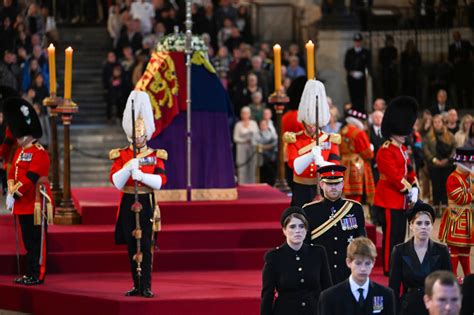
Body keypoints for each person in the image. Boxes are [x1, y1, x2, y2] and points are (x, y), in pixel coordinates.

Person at [109, 90, 167, 298]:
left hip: (146, 199)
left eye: (141, 135)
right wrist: (126, 168)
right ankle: (136, 283)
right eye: (136, 135)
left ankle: (147, 285)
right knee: (132, 245)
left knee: (146, 244)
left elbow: (160, 182)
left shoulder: (155, 155)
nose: (139, 138)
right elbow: (116, 182)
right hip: (127, 200)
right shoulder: (122, 154)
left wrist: (141, 175)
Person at [4, 96, 54, 285]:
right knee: (27, 240)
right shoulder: (19, 151)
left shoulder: (39, 152)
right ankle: (29, 272)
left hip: (35, 202)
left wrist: (14, 194)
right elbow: (12, 171)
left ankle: (37, 273)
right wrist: (10, 190)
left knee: (37, 242)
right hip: (22, 203)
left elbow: (30, 179)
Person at [374, 96, 419, 275]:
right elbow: (394, 177)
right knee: (391, 237)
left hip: (400, 200)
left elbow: (408, 171)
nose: (405, 134)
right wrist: (409, 189)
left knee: (400, 236)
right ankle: (389, 267)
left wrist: (415, 185)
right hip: (389, 200)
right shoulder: (386, 150)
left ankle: (397, 265)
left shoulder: (401, 149)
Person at [260, 206, 333, 315]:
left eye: (301, 226)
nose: (297, 231)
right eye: (292, 227)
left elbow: (327, 288)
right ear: (284, 230)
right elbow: (267, 294)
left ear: (306, 229)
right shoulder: (274, 257)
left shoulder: (318, 253)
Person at [303, 164, 366, 284]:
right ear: (321, 184)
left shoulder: (354, 208)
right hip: (320, 270)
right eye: (329, 184)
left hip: (347, 270)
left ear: (342, 184)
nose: (334, 187)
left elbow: (361, 241)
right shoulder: (309, 210)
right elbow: (305, 244)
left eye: (337, 183)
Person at [389, 202, 452, 315]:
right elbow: (394, 288)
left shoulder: (442, 250)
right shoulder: (399, 251)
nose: (423, 227)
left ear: (432, 226)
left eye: (427, 223)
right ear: (411, 225)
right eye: (419, 223)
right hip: (408, 307)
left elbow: (448, 285)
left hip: (435, 307)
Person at [285, 79, 341, 207]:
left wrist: (321, 162)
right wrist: (310, 156)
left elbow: (336, 164)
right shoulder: (295, 139)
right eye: (308, 124)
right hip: (301, 187)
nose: (311, 127)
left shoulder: (329, 139)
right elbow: (293, 164)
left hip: (323, 186)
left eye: (313, 124)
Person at [319, 237, 396, 315]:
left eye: (367, 263)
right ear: (348, 262)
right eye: (358, 263)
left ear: (373, 263)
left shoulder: (386, 295)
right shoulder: (330, 297)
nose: (363, 269)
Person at [438, 147, 473, 277]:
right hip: (455, 219)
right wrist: (471, 194)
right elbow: (462, 198)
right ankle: (451, 277)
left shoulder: (469, 176)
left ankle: (468, 277)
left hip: (467, 219)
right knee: (453, 253)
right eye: (469, 163)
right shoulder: (453, 178)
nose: (471, 165)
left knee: (465, 252)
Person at [340, 109, 375, 204]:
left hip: (343, 163)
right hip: (356, 165)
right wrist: (371, 149)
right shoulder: (359, 133)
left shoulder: (342, 131)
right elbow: (368, 154)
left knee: (346, 193)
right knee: (356, 195)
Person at [423, 114, 456, 207]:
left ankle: (446, 207)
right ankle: (437, 206)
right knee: (436, 187)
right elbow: (426, 150)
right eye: (435, 122)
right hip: (434, 166)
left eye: (439, 122)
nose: (437, 124)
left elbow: (455, 148)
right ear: (433, 124)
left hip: (447, 165)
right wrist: (434, 160)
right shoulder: (428, 137)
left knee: (446, 187)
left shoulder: (449, 135)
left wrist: (448, 159)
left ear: (442, 123)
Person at [344, 33, 371, 112]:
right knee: (353, 94)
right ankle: (354, 110)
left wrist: (362, 73)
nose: (357, 43)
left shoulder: (365, 52)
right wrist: (351, 72)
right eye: (356, 41)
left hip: (361, 77)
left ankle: (361, 110)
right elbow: (346, 64)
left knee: (361, 95)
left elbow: (368, 64)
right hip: (352, 77)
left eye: (359, 41)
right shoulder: (350, 52)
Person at [233, 106, 259, 184]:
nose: (245, 115)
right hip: (241, 148)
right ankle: (242, 184)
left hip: (252, 148)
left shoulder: (253, 123)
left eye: (247, 113)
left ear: (249, 114)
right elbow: (235, 138)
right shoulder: (238, 125)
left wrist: (251, 139)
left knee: (252, 167)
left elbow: (257, 135)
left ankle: (252, 184)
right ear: (241, 114)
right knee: (242, 167)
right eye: (243, 113)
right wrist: (244, 140)